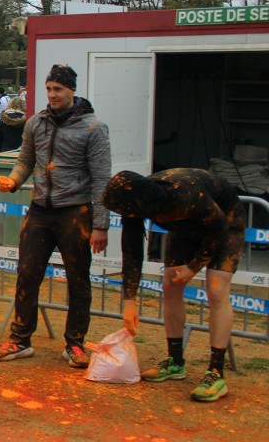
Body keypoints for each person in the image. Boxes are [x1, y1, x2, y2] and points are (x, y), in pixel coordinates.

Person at [0, 64, 111, 367]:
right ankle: (20, 340)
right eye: (49, 89)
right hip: (40, 210)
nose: (52, 94)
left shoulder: (94, 128)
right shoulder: (36, 123)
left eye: (58, 89)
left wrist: (101, 224)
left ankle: (75, 344)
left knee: (78, 280)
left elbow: (102, 179)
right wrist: (13, 181)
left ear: (72, 90)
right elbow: (25, 161)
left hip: (76, 212)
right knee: (27, 274)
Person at [103, 169, 242, 402]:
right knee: (170, 283)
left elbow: (218, 228)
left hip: (223, 221)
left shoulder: (185, 193)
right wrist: (129, 301)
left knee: (217, 289)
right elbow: (132, 252)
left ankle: (216, 372)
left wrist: (193, 267)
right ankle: (175, 361)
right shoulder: (132, 204)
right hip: (185, 227)